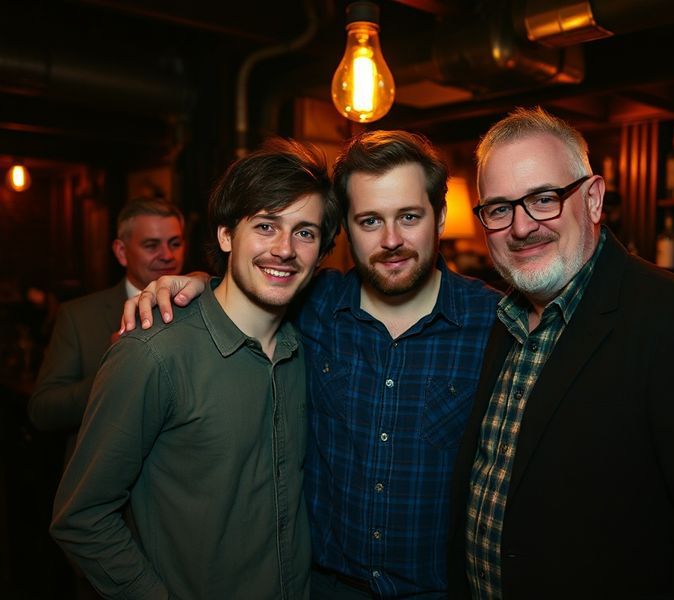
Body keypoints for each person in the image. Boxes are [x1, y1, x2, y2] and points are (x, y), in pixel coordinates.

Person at [121, 130, 502, 598]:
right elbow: (251, 281)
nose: (391, 240)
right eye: (368, 221)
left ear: (439, 217)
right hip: (322, 588)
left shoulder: (495, 324)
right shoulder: (314, 306)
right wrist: (194, 283)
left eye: (409, 217)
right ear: (347, 231)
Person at [446, 107, 674, 598]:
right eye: (499, 208)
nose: (521, 227)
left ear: (594, 199)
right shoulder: (505, 317)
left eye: (544, 199)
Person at [50, 139, 341, 599]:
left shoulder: (306, 348)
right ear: (226, 235)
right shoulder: (152, 354)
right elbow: (81, 517)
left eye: (305, 232)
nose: (285, 249)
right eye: (266, 226)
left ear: (320, 250)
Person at [29, 197, 185, 461]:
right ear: (121, 252)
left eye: (175, 244)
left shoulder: (203, 307)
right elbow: (43, 411)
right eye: (151, 245)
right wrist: (111, 372)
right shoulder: (79, 316)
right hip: (108, 483)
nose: (168, 256)